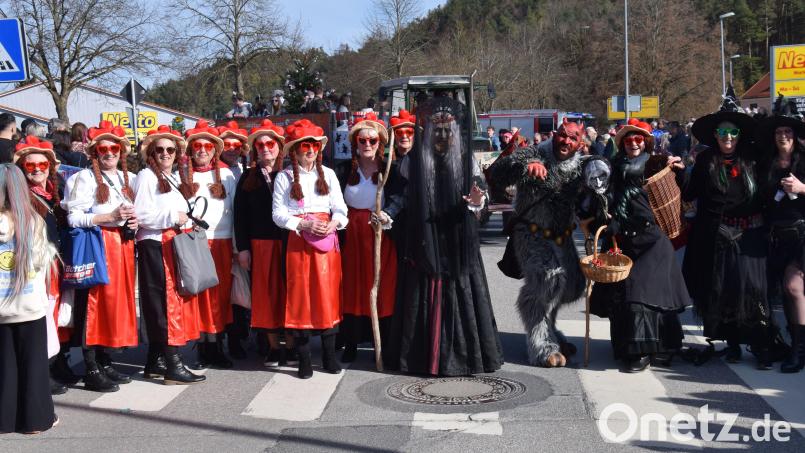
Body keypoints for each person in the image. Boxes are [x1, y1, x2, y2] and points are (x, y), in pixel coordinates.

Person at [387, 97, 503, 376]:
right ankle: (422, 358)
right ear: (426, 131)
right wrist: (387, 214)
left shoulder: (466, 161)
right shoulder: (412, 162)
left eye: (447, 130)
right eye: (436, 130)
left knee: (462, 292)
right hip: (424, 241)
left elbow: (481, 203)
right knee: (420, 297)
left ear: (454, 132)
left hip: (459, 242)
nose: (441, 136)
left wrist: (477, 201)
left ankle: (464, 359)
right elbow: (400, 198)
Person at [490, 119, 602, 367]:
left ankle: (550, 329)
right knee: (547, 280)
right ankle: (541, 346)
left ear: (580, 143)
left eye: (572, 138)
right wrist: (525, 165)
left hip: (562, 236)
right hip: (531, 233)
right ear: (556, 134)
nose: (565, 141)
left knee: (573, 285)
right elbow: (499, 172)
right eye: (563, 135)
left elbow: (596, 193)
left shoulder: (580, 166)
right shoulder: (536, 152)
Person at [588, 122, 689, 372]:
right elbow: (600, 203)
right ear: (622, 143)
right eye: (629, 139)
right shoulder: (610, 169)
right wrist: (605, 221)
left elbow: (683, 190)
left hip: (653, 240)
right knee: (626, 296)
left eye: (639, 139)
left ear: (646, 142)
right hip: (623, 241)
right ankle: (631, 350)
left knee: (645, 296)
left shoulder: (657, 163)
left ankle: (655, 348)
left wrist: (682, 171)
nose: (634, 143)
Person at [684, 96, 774, 369]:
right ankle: (732, 343)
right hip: (718, 237)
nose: (728, 137)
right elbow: (690, 193)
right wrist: (679, 171)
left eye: (733, 132)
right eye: (723, 132)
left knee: (754, 291)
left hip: (750, 236)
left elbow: (770, 187)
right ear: (715, 135)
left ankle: (761, 345)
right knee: (723, 292)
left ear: (740, 135)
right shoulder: (705, 161)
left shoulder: (753, 159)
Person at [62, 120, 138, 392]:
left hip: (123, 247)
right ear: (94, 152)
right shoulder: (83, 178)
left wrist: (132, 223)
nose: (109, 153)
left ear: (121, 151)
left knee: (113, 306)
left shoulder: (127, 179)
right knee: (94, 307)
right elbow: (74, 218)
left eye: (114, 147)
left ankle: (105, 360)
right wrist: (111, 216)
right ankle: (91, 365)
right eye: (103, 148)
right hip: (99, 245)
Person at [272, 119, 348, 379]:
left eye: (314, 145)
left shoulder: (328, 174)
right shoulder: (283, 177)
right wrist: (302, 223)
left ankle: (328, 356)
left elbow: (340, 208)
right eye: (305, 145)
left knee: (328, 297)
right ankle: (304, 359)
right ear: (294, 149)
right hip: (298, 243)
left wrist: (334, 223)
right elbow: (278, 214)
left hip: (326, 244)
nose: (311, 150)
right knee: (301, 298)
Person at [134, 125, 205, 385]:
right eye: (160, 149)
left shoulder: (171, 178)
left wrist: (187, 222)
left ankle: (155, 360)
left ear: (177, 153)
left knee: (164, 302)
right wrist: (174, 217)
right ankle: (172, 363)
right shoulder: (146, 176)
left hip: (170, 243)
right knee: (164, 304)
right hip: (155, 245)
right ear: (151, 152)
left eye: (170, 149)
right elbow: (141, 215)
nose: (165, 153)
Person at [0, 163, 59, 434]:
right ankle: (35, 420)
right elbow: (39, 261)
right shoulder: (32, 221)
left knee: (5, 365)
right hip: (28, 305)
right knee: (33, 364)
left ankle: (5, 419)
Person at [336, 113, 399, 363]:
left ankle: (380, 343)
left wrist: (386, 214)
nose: (367, 145)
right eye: (362, 140)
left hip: (379, 234)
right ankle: (351, 341)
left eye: (372, 141)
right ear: (356, 143)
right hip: (352, 235)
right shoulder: (343, 170)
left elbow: (398, 199)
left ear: (380, 144)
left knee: (382, 285)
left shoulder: (388, 169)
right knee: (353, 286)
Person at [14, 136, 74, 394]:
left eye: (42, 164)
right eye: (30, 166)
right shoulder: (20, 196)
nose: (37, 169)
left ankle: (58, 362)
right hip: (37, 266)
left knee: (56, 315)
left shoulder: (51, 193)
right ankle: (42, 371)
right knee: (42, 315)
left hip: (55, 262)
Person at [234, 119, 295, 366]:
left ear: (279, 146)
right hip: (260, 245)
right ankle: (272, 347)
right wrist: (244, 249)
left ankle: (290, 346)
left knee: (289, 294)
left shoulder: (292, 173)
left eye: (270, 143)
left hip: (288, 242)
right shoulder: (248, 177)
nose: (265, 148)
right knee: (265, 296)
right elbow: (240, 216)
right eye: (260, 145)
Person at [178, 121, 237, 369]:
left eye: (207, 145)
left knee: (220, 296)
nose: (202, 150)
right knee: (198, 295)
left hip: (222, 241)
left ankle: (218, 344)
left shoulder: (228, 175)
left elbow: (235, 212)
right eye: (197, 146)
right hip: (195, 242)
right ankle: (202, 345)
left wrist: (236, 247)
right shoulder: (180, 176)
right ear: (191, 150)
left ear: (215, 150)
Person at [757, 97, 805, 373]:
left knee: (793, 288)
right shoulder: (768, 164)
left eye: (787, 132)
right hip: (775, 236)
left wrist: (801, 188)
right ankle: (792, 345)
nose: (783, 136)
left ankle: (798, 351)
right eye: (779, 133)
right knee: (784, 294)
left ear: (795, 136)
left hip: (801, 234)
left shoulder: (804, 160)